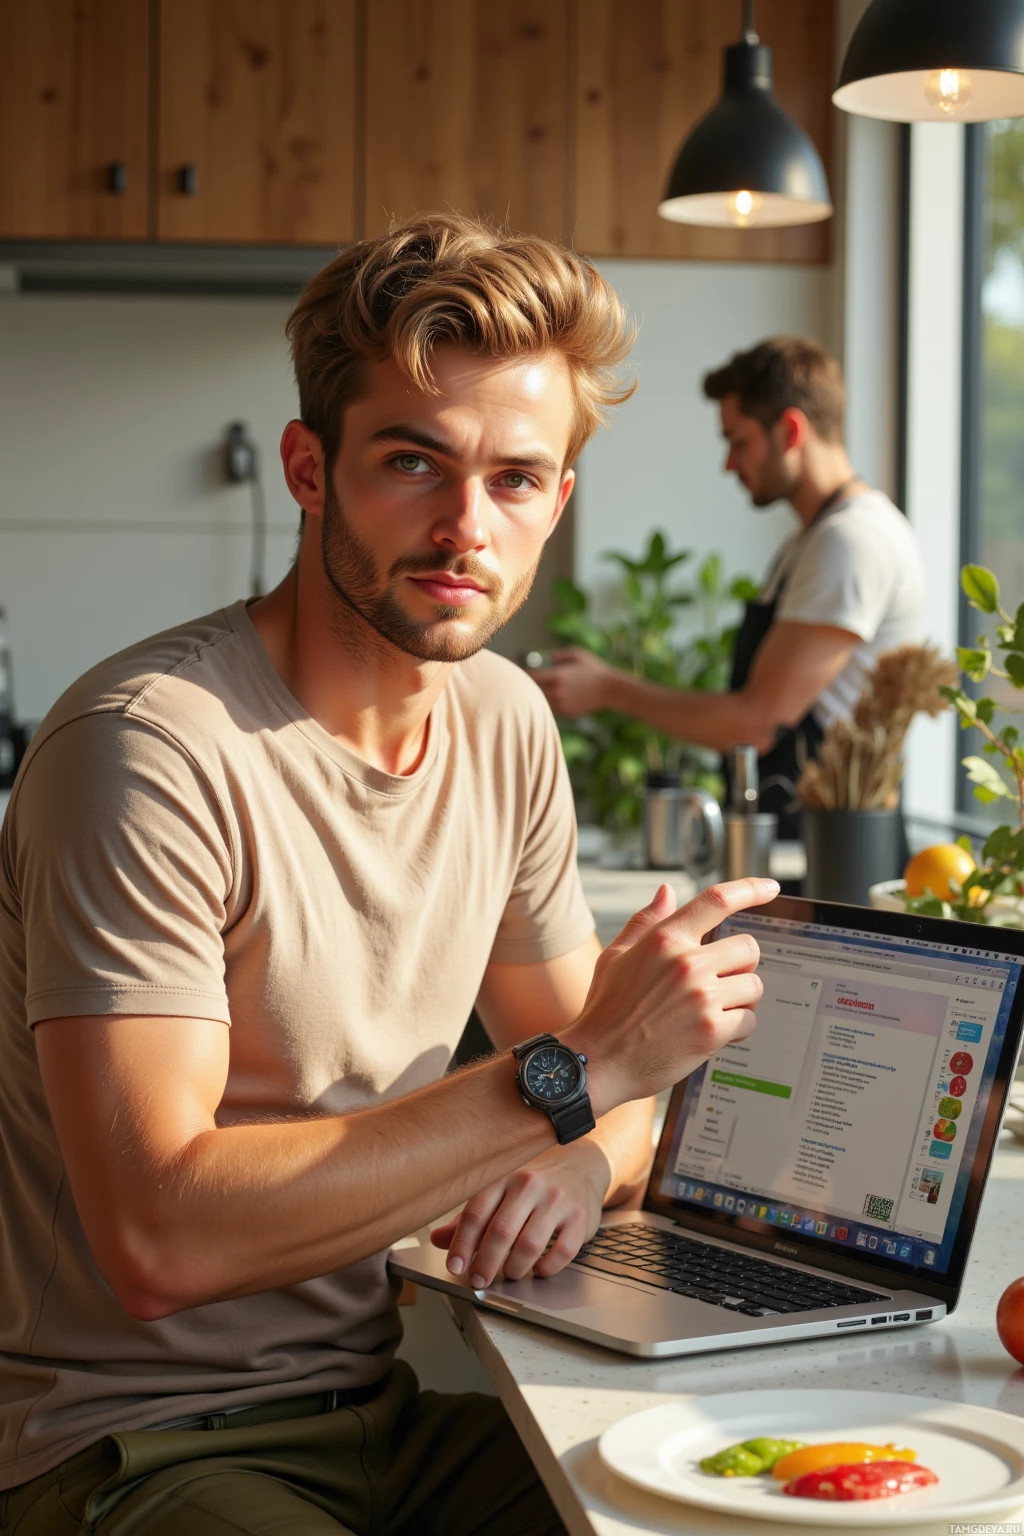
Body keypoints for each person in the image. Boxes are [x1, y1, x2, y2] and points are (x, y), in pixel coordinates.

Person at [0, 214, 776, 1536]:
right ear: (311, 469)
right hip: (127, 1446)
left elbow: (619, 1090)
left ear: (558, 503)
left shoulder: (505, 726)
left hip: (384, 1411)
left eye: (516, 479)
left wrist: (588, 1159)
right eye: (413, 462)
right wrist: (576, 1084)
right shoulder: (148, 751)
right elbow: (159, 1241)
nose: (464, 525)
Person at [534, 336, 926, 837]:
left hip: (823, 846)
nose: (729, 463)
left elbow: (755, 724)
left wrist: (611, 687)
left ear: (789, 430)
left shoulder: (852, 541)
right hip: (797, 837)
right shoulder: (814, 540)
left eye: (738, 441)